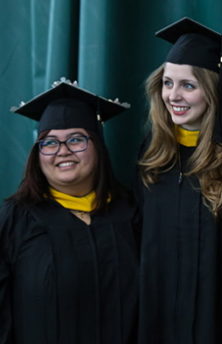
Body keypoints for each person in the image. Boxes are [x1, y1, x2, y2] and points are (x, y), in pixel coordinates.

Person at [136, 18, 222, 344]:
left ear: (214, 90)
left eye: (187, 85)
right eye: (167, 83)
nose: (173, 95)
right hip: (160, 317)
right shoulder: (154, 153)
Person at [0, 80, 138, 343]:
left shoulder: (131, 213)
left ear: (97, 145)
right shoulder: (16, 219)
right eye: (49, 143)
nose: (62, 151)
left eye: (76, 139)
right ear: (37, 154)